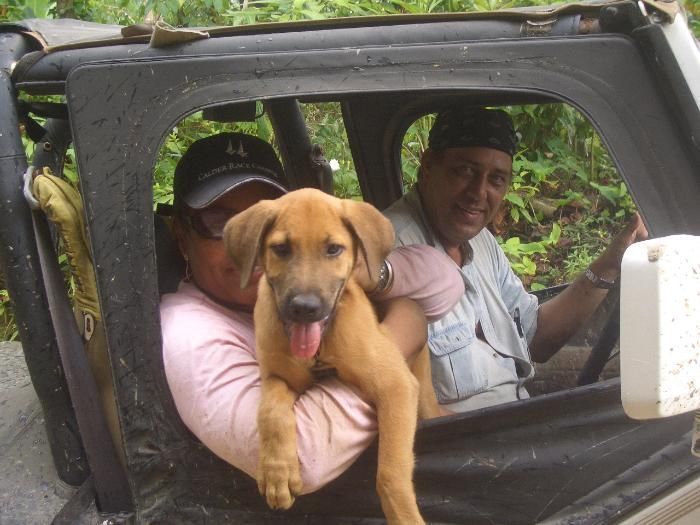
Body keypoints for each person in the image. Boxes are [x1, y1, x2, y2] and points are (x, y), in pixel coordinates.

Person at [160, 131, 464, 493]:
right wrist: (398, 339)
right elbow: (305, 460)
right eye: (220, 224)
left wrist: (368, 273)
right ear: (181, 236)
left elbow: (447, 282)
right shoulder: (187, 334)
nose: (253, 243)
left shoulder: (304, 285)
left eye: (269, 221)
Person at [384, 107, 648, 413]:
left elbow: (537, 338)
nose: (478, 193)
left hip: (516, 419)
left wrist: (612, 262)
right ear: (428, 166)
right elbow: (391, 405)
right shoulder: (388, 258)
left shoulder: (479, 241)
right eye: (465, 171)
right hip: (465, 439)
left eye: (496, 179)